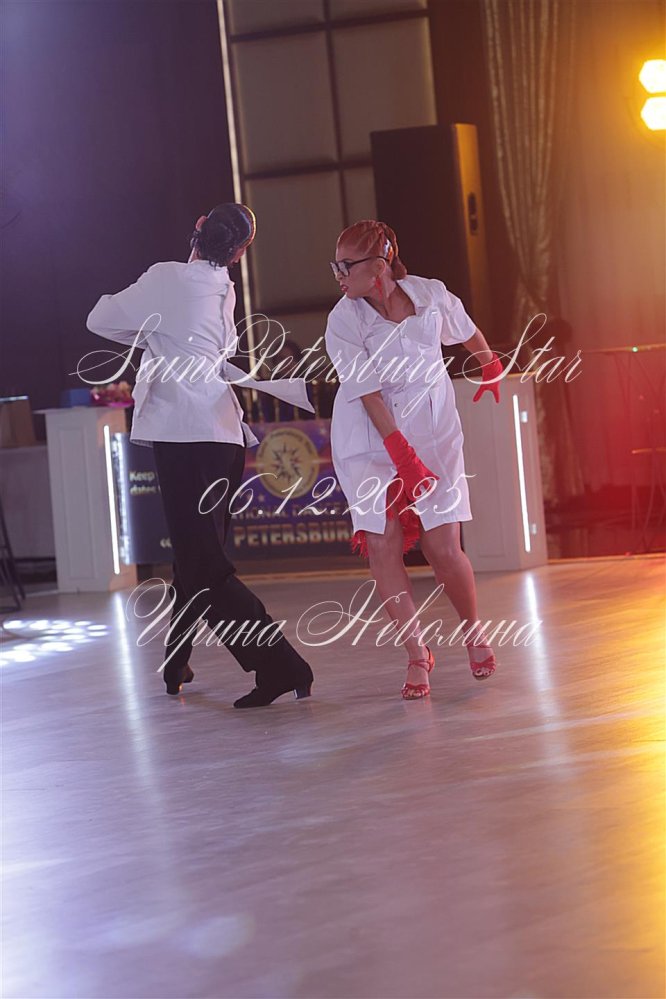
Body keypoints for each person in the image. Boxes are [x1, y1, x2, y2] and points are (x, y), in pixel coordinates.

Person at [87, 203, 314, 707]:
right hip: (222, 438)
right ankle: (175, 662)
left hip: (184, 436)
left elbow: (99, 317)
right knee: (195, 561)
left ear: (197, 227)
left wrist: (146, 329)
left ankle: (282, 666)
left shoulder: (165, 278)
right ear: (238, 253)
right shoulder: (223, 288)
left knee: (204, 565)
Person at [325, 220, 504, 700]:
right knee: (382, 544)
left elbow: (466, 331)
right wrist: (400, 456)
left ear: (379, 264)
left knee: (442, 545)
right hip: (369, 437)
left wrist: (488, 363)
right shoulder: (343, 319)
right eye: (335, 265)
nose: (338, 275)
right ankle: (416, 653)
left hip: (433, 429)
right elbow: (366, 393)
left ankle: (473, 631)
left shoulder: (430, 294)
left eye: (346, 265)